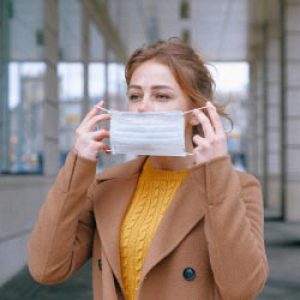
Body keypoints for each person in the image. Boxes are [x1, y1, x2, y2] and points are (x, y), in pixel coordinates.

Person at [28, 39, 268, 300]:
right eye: (135, 96)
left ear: (194, 111)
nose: (142, 107)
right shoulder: (107, 185)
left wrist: (216, 172)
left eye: (161, 96)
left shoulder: (239, 187)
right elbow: (46, 269)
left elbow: (242, 288)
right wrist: (78, 165)